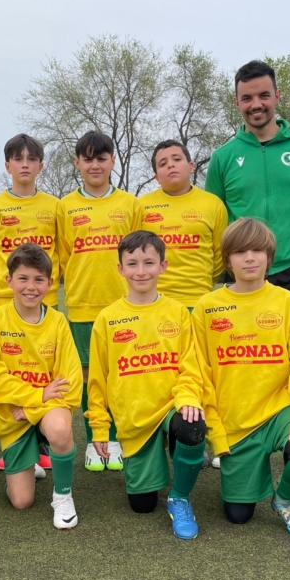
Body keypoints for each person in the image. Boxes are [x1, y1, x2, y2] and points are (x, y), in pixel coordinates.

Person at [192, 218, 290, 539]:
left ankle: (286, 500)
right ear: (228, 260)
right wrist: (217, 434)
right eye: (240, 252)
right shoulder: (207, 307)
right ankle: (247, 478)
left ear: (270, 257)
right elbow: (200, 374)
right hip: (236, 422)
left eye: (257, 250)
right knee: (238, 515)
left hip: (279, 410)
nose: (249, 258)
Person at [87, 231, 206, 539]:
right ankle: (159, 461)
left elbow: (190, 367)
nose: (141, 271)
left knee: (191, 425)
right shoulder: (108, 318)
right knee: (142, 506)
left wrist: (188, 398)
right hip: (134, 420)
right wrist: (99, 427)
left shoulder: (178, 313)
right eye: (132, 263)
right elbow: (98, 379)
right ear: (120, 269)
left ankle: (180, 496)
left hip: (170, 406)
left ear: (163, 266)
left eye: (149, 262)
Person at [204, 60, 290, 324]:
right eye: (247, 98)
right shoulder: (223, 157)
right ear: (237, 102)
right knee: (244, 347)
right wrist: (237, 256)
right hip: (243, 273)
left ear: (277, 95)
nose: (256, 104)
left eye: (264, 95)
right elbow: (215, 217)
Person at [0, 243, 83, 530]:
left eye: (39, 279)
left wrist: (34, 408)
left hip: (44, 408)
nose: (31, 287)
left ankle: (63, 496)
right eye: (23, 278)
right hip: (13, 414)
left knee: (59, 429)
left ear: (50, 283)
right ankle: (27, 462)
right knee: (21, 501)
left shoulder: (58, 322)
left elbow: (70, 381)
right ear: (9, 280)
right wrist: (36, 395)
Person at [56, 130, 141, 472]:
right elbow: (64, 255)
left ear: (112, 161)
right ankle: (95, 441)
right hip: (82, 304)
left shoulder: (130, 204)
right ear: (77, 162)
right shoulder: (65, 206)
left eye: (101, 158)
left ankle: (118, 439)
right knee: (89, 376)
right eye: (88, 159)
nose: (95, 165)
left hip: (123, 305)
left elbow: (139, 255)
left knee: (120, 374)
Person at [0, 133, 61, 474]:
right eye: (18, 159)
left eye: (31, 159)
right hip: (5, 301)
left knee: (41, 370)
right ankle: (12, 442)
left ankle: (41, 445)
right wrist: (5, 285)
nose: (24, 165)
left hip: (45, 301)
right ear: (7, 165)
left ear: (40, 165)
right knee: (10, 370)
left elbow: (63, 250)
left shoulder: (54, 206)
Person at [140, 140, 228, 307]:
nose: (171, 165)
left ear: (191, 166)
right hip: (152, 302)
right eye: (163, 163)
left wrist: (202, 282)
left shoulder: (214, 204)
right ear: (157, 177)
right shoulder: (140, 206)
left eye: (177, 159)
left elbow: (220, 255)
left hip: (198, 300)